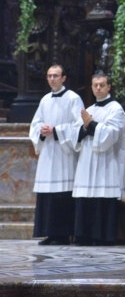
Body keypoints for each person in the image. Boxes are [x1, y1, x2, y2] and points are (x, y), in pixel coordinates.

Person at [59, 72, 125, 246]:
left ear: (109, 87)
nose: (98, 88)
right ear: (91, 87)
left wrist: (91, 125)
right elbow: (74, 134)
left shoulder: (116, 109)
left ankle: (102, 236)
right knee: (86, 196)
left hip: (106, 161)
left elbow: (112, 134)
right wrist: (85, 128)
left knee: (103, 196)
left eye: (102, 85)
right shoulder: (89, 110)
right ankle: (84, 235)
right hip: (87, 160)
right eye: (95, 85)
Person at [29, 65, 85, 245]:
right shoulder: (45, 100)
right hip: (48, 152)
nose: (52, 79)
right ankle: (49, 233)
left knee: (62, 194)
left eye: (55, 75)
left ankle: (62, 234)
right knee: (47, 194)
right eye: (49, 76)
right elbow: (35, 123)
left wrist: (57, 130)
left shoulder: (73, 98)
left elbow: (80, 126)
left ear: (64, 78)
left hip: (64, 153)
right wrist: (41, 130)